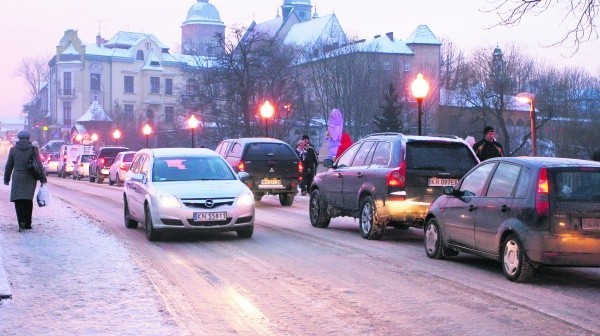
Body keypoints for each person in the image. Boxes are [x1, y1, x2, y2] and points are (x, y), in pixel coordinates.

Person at [4, 130, 47, 232]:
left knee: (18, 201)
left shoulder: (13, 150)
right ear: (28, 138)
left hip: (18, 176)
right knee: (28, 200)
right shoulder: (33, 149)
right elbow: (39, 164)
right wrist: (42, 178)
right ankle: (28, 223)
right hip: (30, 177)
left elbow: (9, 166)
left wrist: (6, 179)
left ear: (19, 138)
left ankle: (21, 223)